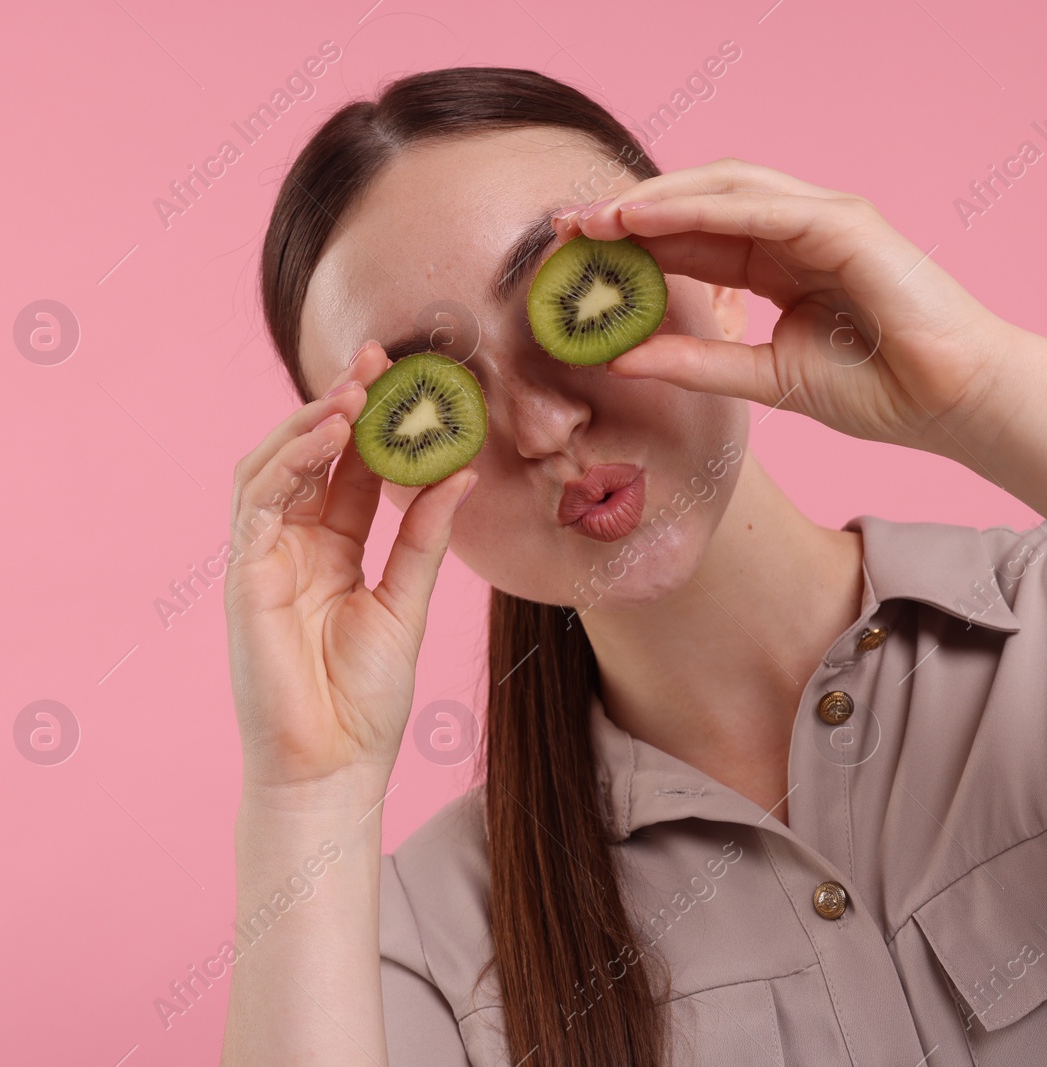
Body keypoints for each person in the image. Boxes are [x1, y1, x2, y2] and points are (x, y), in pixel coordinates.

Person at [219, 67, 1047, 1066]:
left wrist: (984, 386)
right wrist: (307, 787)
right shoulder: (425, 939)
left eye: (562, 304)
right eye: (430, 396)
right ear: (383, 468)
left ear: (717, 281)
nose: (542, 425)